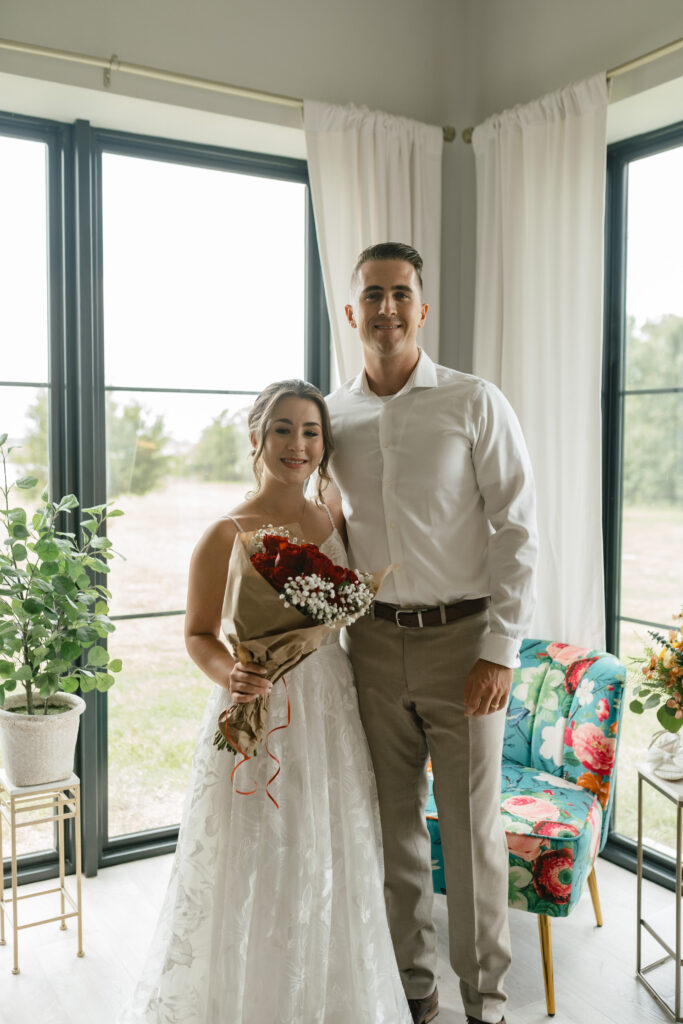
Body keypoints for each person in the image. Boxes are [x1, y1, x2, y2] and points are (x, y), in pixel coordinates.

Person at [117, 379, 412, 1024]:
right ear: (256, 438)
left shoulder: (335, 518)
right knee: (258, 848)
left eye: (311, 433)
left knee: (329, 842)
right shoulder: (226, 533)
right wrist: (233, 676)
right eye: (283, 429)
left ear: (324, 446)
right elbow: (198, 634)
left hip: (331, 704)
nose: (297, 445)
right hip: (259, 705)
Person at [326, 243, 538, 1024]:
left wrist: (500, 650)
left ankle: (484, 1003)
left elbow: (517, 529)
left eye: (400, 294)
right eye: (372, 296)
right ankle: (413, 993)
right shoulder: (332, 415)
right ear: (351, 313)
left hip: (464, 644)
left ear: (421, 308)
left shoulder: (473, 400)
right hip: (371, 648)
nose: (386, 309)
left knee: (470, 836)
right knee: (393, 828)